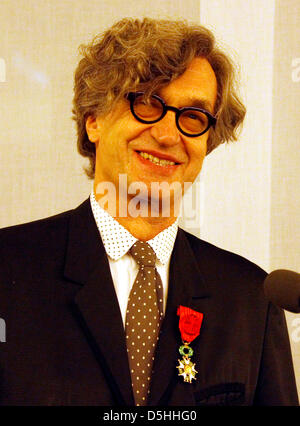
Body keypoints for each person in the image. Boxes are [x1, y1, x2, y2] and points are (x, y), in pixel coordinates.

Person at [0, 17, 298, 406]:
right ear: (94, 120)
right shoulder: (7, 268)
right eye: (146, 103)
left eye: (192, 116)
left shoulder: (251, 299)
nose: (168, 134)